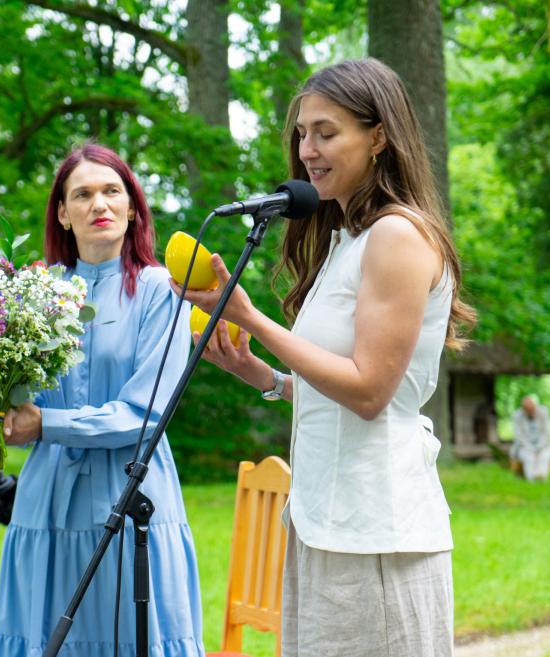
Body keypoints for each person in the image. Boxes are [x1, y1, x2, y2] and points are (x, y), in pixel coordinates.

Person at [173, 58, 476, 657]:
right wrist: (258, 372)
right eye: (302, 134)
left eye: (326, 132)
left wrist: (252, 319)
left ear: (379, 136)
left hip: (377, 534)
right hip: (321, 525)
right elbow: (336, 389)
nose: (307, 150)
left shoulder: (397, 236)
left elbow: (369, 394)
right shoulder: (348, 240)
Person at [0, 143, 204, 657]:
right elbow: (22, 399)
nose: (99, 204)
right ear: (63, 212)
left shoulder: (161, 291)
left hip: (131, 500)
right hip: (46, 504)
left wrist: (43, 425)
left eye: (111, 191)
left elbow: (144, 416)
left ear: (132, 207)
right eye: (83, 194)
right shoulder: (33, 293)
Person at [510, 395, 550, 481]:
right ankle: (532, 479)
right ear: (523, 409)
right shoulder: (517, 416)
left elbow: (547, 434)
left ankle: (541, 478)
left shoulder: (543, 412)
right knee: (529, 457)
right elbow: (519, 436)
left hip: (544, 445)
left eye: (532, 408)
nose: (530, 411)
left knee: (544, 455)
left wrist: (538, 447)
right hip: (524, 446)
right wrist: (531, 448)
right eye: (527, 409)